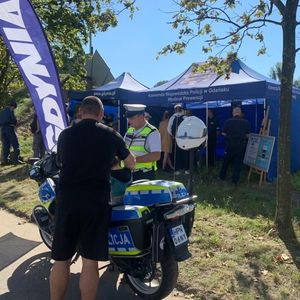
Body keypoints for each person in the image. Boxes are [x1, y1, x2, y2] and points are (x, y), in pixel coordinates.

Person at [49, 96, 135, 300]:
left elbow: (61, 163)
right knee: (90, 262)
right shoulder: (111, 134)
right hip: (95, 202)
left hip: (67, 200)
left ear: (80, 112)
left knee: (61, 260)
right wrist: (113, 165)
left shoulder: (65, 135)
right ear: (101, 114)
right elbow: (131, 162)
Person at [124, 104, 161, 181]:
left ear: (141, 116)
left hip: (144, 174)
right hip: (127, 172)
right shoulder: (130, 130)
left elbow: (156, 155)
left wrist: (133, 160)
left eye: (131, 118)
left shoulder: (152, 132)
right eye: (128, 118)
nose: (128, 121)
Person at [219, 106, 250, 185]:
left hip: (229, 145)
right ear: (240, 113)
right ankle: (235, 180)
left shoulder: (228, 121)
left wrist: (229, 136)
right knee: (237, 163)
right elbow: (248, 135)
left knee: (226, 162)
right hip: (240, 145)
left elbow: (223, 133)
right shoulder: (246, 122)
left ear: (233, 113)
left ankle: (222, 177)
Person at [167, 103, 189, 174]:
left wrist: (172, 135)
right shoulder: (185, 117)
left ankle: (177, 169)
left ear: (175, 110)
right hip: (183, 138)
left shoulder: (172, 117)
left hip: (176, 138)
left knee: (177, 154)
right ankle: (186, 169)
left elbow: (168, 128)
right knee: (184, 153)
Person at [0, 100, 23, 165]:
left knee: (6, 146)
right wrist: (14, 123)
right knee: (16, 144)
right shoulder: (11, 111)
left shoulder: (2, 111)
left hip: (2, 130)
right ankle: (16, 160)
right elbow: (14, 120)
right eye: (14, 108)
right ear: (13, 106)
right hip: (9, 129)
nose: (14, 109)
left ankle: (5, 161)